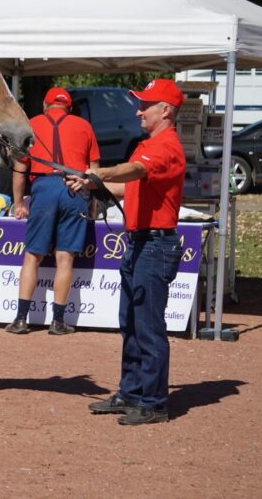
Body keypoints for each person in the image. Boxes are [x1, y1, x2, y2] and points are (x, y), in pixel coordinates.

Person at [65, 78, 186, 425]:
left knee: (147, 326)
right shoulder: (150, 145)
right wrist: (92, 183)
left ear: (165, 110)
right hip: (140, 244)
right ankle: (132, 393)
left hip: (154, 245)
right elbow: (127, 184)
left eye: (145, 105)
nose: (138, 111)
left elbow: (134, 170)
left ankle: (154, 403)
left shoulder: (166, 146)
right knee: (130, 322)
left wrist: (98, 172)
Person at [6, 87, 100, 335]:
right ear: (69, 107)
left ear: (46, 106)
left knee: (32, 256)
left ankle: (21, 319)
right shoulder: (85, 126)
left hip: (43, 187)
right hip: (74, 188)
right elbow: (94, 170)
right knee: (65, 258)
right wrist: (92, 200)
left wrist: (18, 203)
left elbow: (20, 169)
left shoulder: (31, 124)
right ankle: (58, 321)